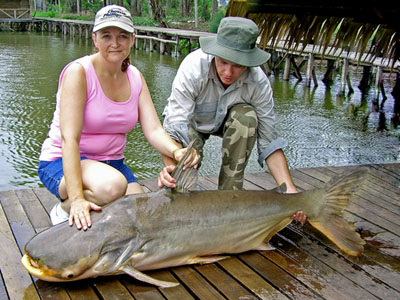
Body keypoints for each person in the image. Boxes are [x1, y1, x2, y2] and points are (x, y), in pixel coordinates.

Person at [38, 5, 199, 231]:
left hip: (112, 164)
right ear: (94, 39)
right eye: (106, 36)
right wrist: (76, 199)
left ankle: (100, 202)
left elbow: (153, 130)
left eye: (122, 36)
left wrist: (176, 151)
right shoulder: (79, 73)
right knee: (113, 187)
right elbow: (69, 139)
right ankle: (63, 209)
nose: (115, 43)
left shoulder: (135, 77)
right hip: (61, 162)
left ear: (132, 39)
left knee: (144, 212)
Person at [159, 17, 306, 223]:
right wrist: (171, 168)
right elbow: (174, 127)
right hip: (192, 123)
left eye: (237, 65)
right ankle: (181, 196)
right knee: (180, 176)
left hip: (233, 121)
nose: (228, 72)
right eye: (223, 62)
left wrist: (290, 190)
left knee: (247, 118)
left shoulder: (259, 83)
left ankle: (229, 198)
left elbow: (269, 142)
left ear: (249, 62)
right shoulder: (193, 68)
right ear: (214, 53)